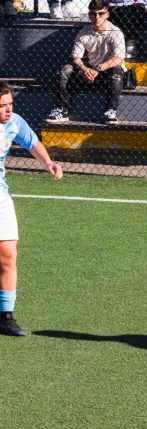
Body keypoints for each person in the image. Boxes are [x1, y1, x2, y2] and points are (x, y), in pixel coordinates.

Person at [0, 81, 63, 337]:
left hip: (0, 196)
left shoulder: (14, 122)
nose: (7, 110)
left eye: (10, 104)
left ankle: (5, 317)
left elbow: (32, 142)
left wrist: (48, 162)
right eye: (2, 106)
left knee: (8, 255)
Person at [45, 0, 126, 125]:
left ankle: (111, 110)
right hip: (88, 72)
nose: (97, 17)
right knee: (65, 69)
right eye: (93, 14)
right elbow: (76, 56)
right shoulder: (84, 32)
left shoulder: (115, 32)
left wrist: (99, 68)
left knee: (117, 71)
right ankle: (62, 109)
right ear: (89, 15)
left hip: (107, 73)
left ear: (107, 14)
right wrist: (84, 69)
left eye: (101, 13)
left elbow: (118, 58)